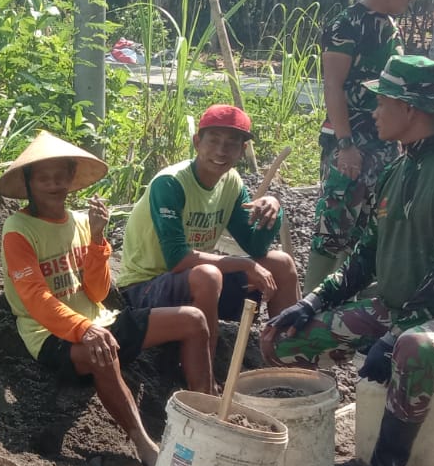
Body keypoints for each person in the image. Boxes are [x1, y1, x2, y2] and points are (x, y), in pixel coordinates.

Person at [262, 56, 434, 466]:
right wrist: (311, 302)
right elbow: (364, 256)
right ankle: (312, 447)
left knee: (416, 349)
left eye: (382, 102)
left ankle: (386, 465)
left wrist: (395, 335)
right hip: (392, 310)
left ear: (409, 108)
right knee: (281, 339)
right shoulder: (397, 169)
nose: (373, 112)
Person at [0, 132, 214, 466]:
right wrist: (82, 329)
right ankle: (144, 443)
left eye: (60, 176)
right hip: (49, 334)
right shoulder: (18, 229)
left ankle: (205, 415)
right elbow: (34, 297)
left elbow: (97, 292)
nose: (53, 185)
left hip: (100, 322)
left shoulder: (82, 222)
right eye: (43, 178)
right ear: (28, 183)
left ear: (71, 178)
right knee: (103, 352)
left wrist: (97, 239)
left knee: (193, 320)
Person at [117, 105, 298, 355]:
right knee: (208, 275)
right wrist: (244, 265)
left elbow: (255, 246)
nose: (221, 151)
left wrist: (273, 209)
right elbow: (177, 259)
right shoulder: (170, 183)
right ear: (197, 142)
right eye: (213, 140)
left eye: (232, 143)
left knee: (281, 263)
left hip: (197, 283)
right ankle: (207, 369)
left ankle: (287, 358)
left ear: (242, 150)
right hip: (144, 289)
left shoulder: (231, 182)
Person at [308, 0, 434, 289]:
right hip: (351, 140)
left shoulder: (391, 27)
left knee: (366, 230)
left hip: (384, 142)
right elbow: (333, 86)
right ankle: (309, 308)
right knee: (334, 226)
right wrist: (345, 144)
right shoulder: (346, 24)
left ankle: (344, 303)